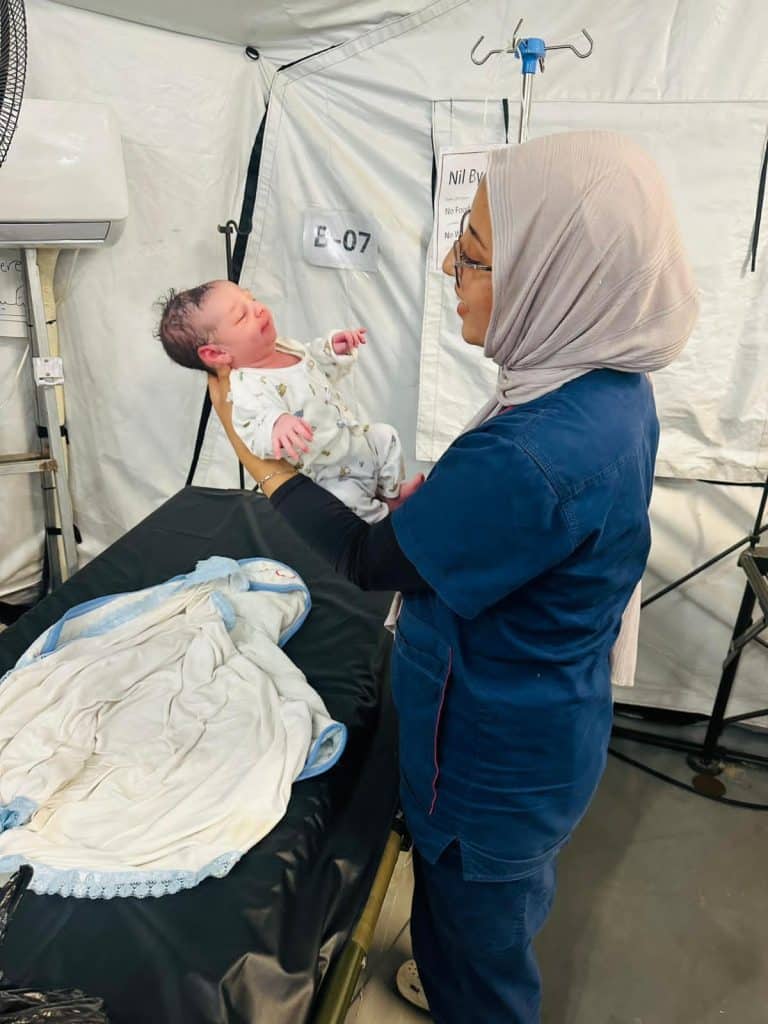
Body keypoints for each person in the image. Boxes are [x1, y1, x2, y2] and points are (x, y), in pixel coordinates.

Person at [206, 131, 699, 1023]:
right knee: (501, 904)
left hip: (489, 759)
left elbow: (368, 560)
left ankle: (471, 992)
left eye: (470, 254)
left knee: (478, 940)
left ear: (558, 275)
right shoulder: (601, 385)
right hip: (550, 721)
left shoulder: (531, 454)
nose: (445, 265)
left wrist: (270, 469)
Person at [156, 280, 422, 522]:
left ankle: (392, 494)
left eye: (251, 299)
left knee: (386, 436)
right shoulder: (247, 387)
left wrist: (332, 349)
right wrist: (276, 423)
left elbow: (315, 367)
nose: (258, 309)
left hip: (355, 441)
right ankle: (385, 520)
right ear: (216, 353)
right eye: (241, 316)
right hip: (330, 473)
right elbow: (251, 429)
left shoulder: (284, 347)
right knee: (350, 505)